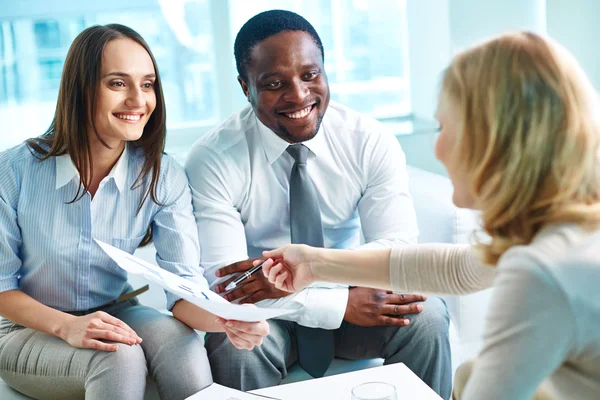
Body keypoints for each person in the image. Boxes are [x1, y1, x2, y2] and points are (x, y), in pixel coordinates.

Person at [261, 31, 600, 400]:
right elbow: (458, 269)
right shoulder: (564, 232)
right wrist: (315, 263)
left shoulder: (542, 273)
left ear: (492, 140)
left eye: (443, 127)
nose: (437, 149)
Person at [184, 9, 451, 398]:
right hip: (267, 316)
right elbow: (229, 286)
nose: (298, 95)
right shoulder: (213, 158)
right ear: (246, 87)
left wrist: (324, 286)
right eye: (275, 83)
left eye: (310, 75)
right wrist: (336, 304)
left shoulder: (368, 140)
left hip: (346, 295)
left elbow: (398, 253)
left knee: (426, 317)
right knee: (231, 340)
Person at [0, 24, 268, 400]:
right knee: (117, 358)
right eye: (117, 83)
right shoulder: (14, 171)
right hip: (26, 329)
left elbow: (183, 289)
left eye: (147, 84)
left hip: (117, 308)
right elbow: (1, 287)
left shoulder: (162, 174)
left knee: (184, 348)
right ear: (80, 89)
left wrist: (230, 320)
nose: (138, 101)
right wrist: (68, 327)